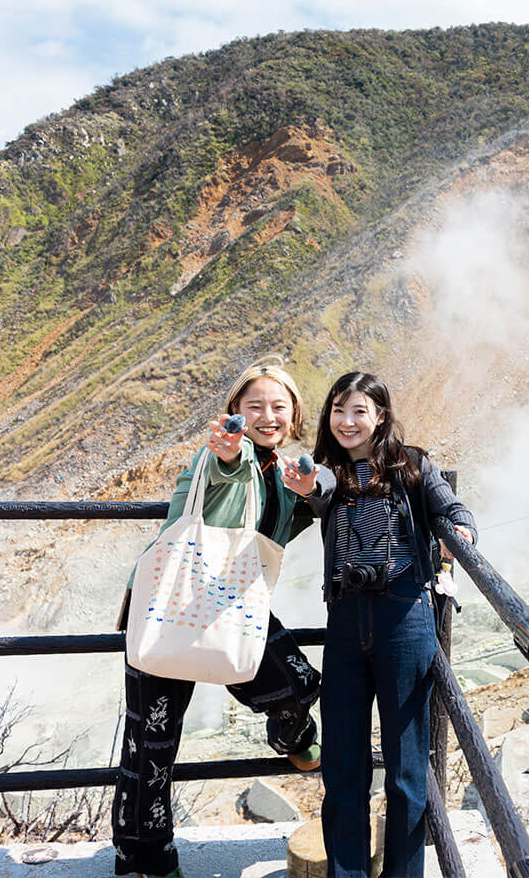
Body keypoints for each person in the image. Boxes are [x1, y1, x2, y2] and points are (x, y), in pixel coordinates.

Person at [113, 360, 334, 878]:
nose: (267, 415)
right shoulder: (219, 453)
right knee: (153, 741)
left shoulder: (285, 471)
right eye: (254, 405)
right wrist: (229, 456)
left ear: (294, 413)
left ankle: (291, 735)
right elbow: (223, 471)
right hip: (168, 606)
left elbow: (324, 496)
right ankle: (145, 861)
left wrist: (314, 486)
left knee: (298, 682)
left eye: (278, 406)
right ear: (234, 411)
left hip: (233, 604)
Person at [305, 371, 475, 878]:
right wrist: (304, 484)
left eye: (359, 411)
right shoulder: (327, 469)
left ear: (380, 416)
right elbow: (316, 492)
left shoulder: (414, 465)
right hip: (344, 621)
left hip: (403, 618)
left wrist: (460, 530)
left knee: (405, 768)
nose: (347, 421)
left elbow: (452, 506)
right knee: (342, 764)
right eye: (339, 410)